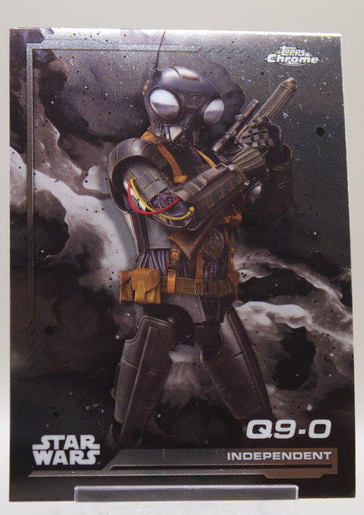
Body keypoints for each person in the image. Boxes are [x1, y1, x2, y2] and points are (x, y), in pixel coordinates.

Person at [106, 66, 295, 445]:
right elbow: (174, 212)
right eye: (179, 104)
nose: (190, 118)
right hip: (163, 297)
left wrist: (275, 161)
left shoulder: (210, 162)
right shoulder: (134, 154)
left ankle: (266, 454)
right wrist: (236, 170)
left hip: (215, 297)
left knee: (258, 417)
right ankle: (116, 452)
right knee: (129, 424)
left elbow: (270, 210)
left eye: (202, 108)